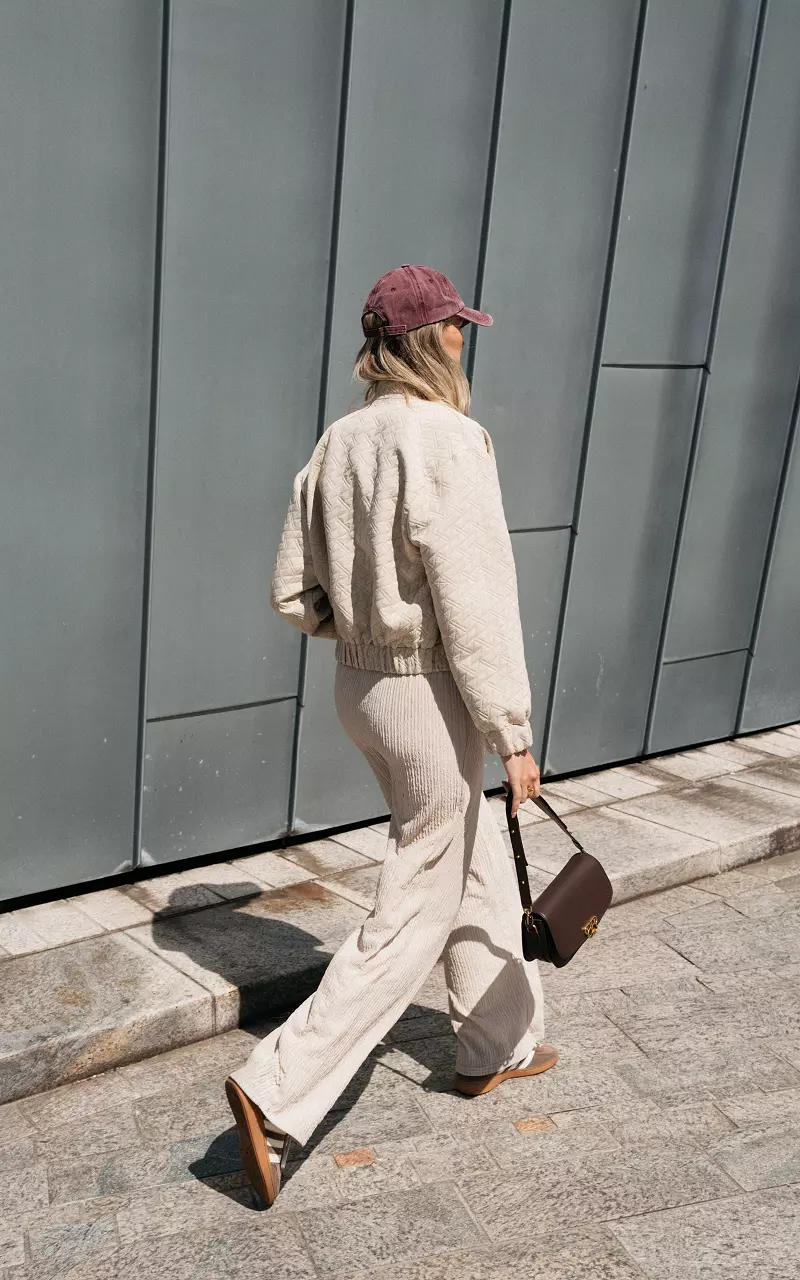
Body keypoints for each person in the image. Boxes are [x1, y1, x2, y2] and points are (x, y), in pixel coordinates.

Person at [225, 264, 557, 1205]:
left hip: (360, 687)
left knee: (467, 851)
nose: (465, 340)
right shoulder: (447, 440)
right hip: (429, 695)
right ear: (431, 340)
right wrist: (512, 732)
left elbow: (295, 590)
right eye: (457, 327)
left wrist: (362, 633)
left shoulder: (341, 439)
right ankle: (276, 1090)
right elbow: (479, 601)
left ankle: (495, 1043)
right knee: (417, 896)